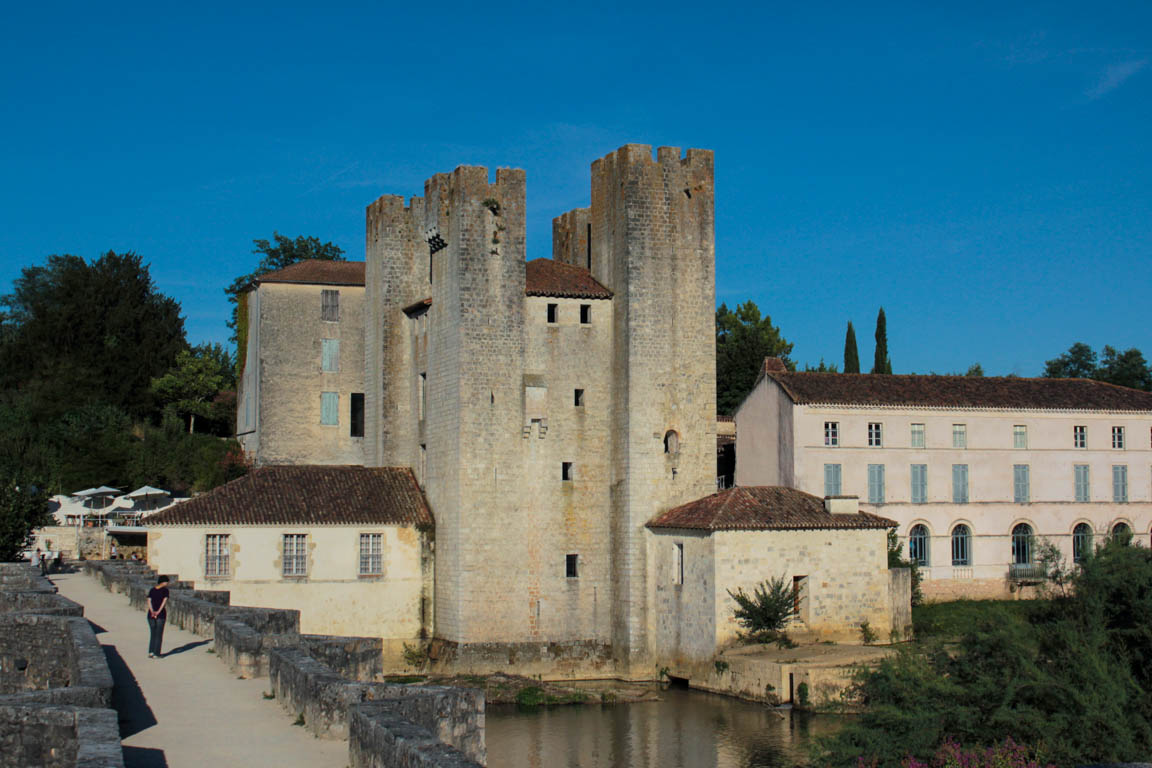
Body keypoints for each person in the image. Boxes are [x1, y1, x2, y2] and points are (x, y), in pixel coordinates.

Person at [146, 575, 170, 659]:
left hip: (150, 614)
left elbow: (149, 601)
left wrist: (152, 611)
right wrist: (158, 612)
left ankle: (151, 652)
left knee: (153, 633)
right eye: (167, 582)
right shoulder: (165, 590)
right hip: (161, 615)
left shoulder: (152, 590)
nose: (167, 583)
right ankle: (157, 653)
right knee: (159, 634)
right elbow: (164, 602)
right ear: (163, 582)